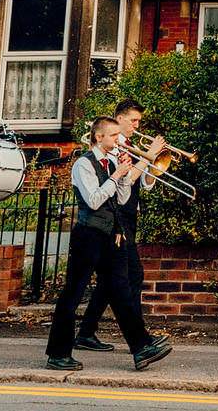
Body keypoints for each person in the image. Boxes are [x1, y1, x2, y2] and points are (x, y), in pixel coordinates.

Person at [45, 118, 172, 372]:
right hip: (88, 236)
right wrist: (116, 175)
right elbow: (93, 200)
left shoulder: (111, 161)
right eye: (113, 135)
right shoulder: (83, 164)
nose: (117, 140)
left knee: (121, 290)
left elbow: (122, 199)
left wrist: (123, 176)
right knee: (73, 293)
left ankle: (141, 347)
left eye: (117, 134)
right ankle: (58, 353)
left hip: (111, 235)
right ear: (98, 137)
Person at [74, 99, 166, 353]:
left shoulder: (131, 147)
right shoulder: (112, 148)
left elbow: (141, 184)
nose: (137, 126)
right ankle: (139, 337)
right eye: (133, 121)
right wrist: (147, 158)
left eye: (139, 121)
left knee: (113, 279)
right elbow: (121, 179)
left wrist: (151, 165)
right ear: (120, 119)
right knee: (129, 275)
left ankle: (88, 332)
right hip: (116, 218)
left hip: (128, 215)